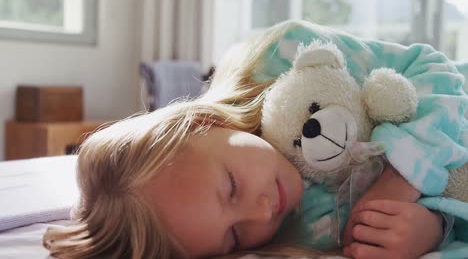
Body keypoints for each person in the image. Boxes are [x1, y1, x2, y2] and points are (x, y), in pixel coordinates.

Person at [43, 20, 468, 259]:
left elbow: (434, 72)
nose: (262, 212)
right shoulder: (306, 236)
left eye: (231, 186)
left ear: (202, 123)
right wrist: (432, 230)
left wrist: (401, 179)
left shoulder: (281, 58)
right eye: (234, 238)